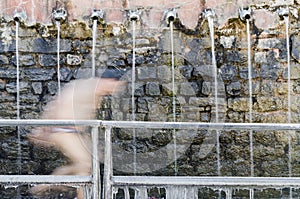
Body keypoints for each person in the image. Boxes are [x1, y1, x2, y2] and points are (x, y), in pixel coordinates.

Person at [28, 77, 124, 198]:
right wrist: (45, 129)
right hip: (65, 132)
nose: (115, 89)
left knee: (89, 163)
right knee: (85, 164)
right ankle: (52, 186)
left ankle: (51, 183)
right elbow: (60, 103)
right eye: (115, 84)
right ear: (108, 80)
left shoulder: (90, 88)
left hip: (71, 133)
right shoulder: (87, 87)